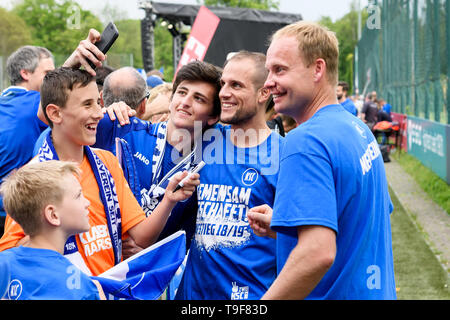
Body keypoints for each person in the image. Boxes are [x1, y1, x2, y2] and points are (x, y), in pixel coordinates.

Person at [0, 68, 199, 277]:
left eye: (98, 102)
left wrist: (169, 199)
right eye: (87, 104)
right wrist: (55, 230)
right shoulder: (34, 176)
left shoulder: (107, 162)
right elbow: (11, 257)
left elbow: (141, 237)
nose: (98, 113)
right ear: (55, 113)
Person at [248, 21, 396, 300]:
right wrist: (287, 226)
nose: (268, 82)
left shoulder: (304, 141)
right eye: (269, 71)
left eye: (280, 69)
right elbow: (358, 224)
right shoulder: (357, 128)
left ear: (318, 69)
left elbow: (317, 253)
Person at [175, 51, 284, 300]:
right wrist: (120, 107)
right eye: (223, 83)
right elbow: (158, 117)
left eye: (236, 85)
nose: (223, 92)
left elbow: (307, 239)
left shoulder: (286, 155)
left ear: (263, 93)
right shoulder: (204, 139)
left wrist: (279, 224)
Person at [93, 60, 222, 249]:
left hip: (153, 271)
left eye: (199, 99)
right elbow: (58, 123)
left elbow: (185, 240)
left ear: (213, 116)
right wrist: (101, 113)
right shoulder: (124, 129)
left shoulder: (206, 166)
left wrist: (149, 254)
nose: (185, 103)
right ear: (171, 99)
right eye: (182, 93)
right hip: (102, 262)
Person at [0, 29, 108, 236]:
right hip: (25, 218)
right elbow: (49, 103)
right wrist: (74, 59)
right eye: (48, 75)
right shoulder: (32, 104)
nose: (54, 79)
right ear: (25, 73)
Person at [0, 160, 105, 300]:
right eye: (78, 195)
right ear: (53, 215)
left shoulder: (3, 263)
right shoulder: (82, 288)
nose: (87, 203)